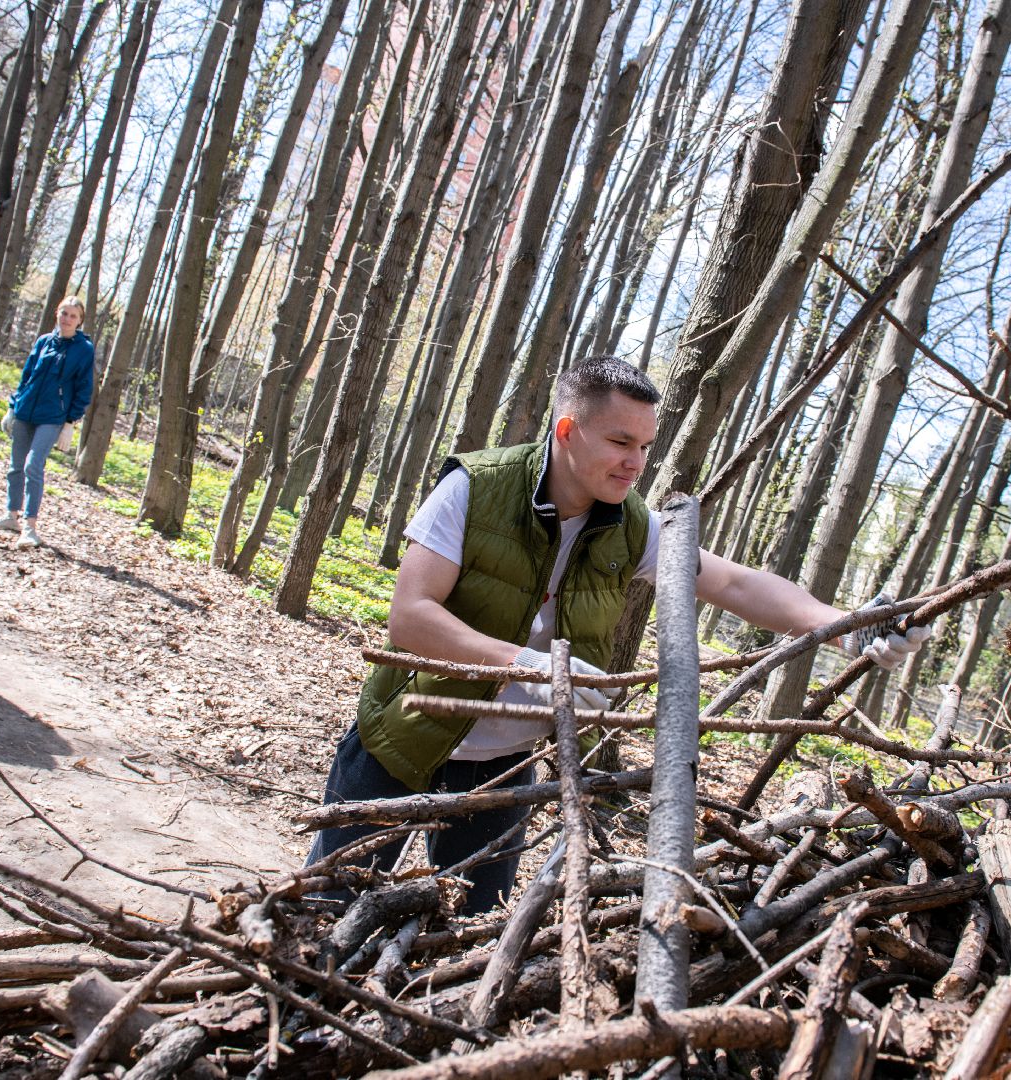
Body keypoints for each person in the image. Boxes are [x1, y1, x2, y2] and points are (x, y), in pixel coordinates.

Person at [306, 356, 931, 913]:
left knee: (461, 926)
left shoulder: (632, 525)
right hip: (401, 738)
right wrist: (537, 666)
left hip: (501, 770)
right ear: (567, 430)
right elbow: (410, 617)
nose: (636, 463)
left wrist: (843, 625)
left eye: (646, 446)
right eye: (620, 442)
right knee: (329, 908)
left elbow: (737, 584)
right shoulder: (474, 488)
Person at [0, 296, 94, 548]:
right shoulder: (44, 341)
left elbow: (84, 388)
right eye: (63, 313)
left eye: (73, 316)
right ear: (57, 314)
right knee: (15, 466)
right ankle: (10, 515)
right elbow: (27, 376)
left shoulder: (84, 350)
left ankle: (29, 527)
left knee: (33, 466)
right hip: (25, 411)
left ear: (80, 321)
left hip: (53, 417)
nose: (67, 319)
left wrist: (70, 422)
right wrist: (12, 407)